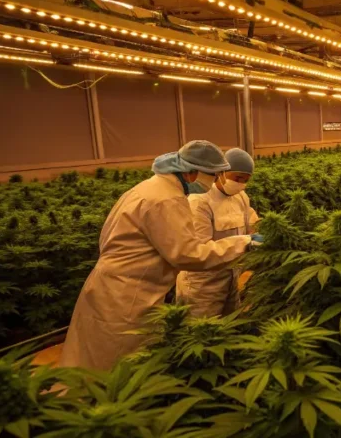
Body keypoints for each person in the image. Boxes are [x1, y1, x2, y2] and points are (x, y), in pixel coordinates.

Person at [61, 140, 262, 371]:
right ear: (192, 171)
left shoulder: (148, 189)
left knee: (95, 359)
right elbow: (188, 255)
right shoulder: (166, 200)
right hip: (128, 294)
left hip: (115, 284)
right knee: (120, 366)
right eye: (213, 175)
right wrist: (243, 243)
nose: (214, 182)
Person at [176, 148, 259, 317]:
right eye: (237, 178)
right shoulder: (200, 200)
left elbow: (251, 222)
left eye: (245, 180)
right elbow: (199, 250)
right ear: (221, 173)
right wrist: (245, 242)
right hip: (203, 284)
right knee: (201, 334)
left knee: (229, 327)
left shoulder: (241, 196)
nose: (241, 183)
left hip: (231, 277)